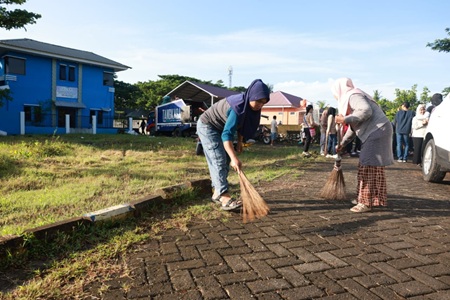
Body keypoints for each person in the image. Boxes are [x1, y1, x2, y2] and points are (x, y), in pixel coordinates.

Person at [196, 79, 270, 211]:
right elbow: (227, 134)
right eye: (258, 101)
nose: (260, 105)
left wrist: (240, 142)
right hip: (208, 125)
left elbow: (242, 125)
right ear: (251, 96)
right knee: (219, 159)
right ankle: (224, 196)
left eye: (264, 102)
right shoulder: (237, 107)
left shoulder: (251, 109)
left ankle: (217, 193)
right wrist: (234, 158)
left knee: (224, 162)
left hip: (220, 127)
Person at [333, 77, 394, 213]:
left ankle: (365, 202)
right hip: (380, 130)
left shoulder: (353, 95)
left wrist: (345, 119)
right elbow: (354, 127)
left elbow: (366, 111)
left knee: (366, 165)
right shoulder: (354, 96)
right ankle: (373, 198)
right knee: (374, 166)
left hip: (376, 132)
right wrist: (343, 143)